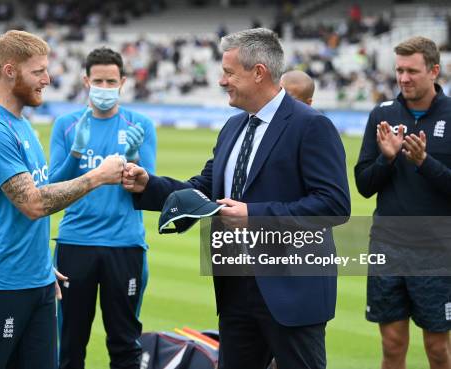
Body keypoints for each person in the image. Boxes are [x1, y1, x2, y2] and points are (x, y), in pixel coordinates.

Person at [122, 28, 350, 369]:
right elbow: (204, 189)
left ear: (258, 72)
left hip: (291, 292)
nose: (221, 80)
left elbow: (334, 205)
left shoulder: (311, 126)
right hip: (234, 289)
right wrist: (147, 185)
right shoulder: (232, 127)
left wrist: (254, 214)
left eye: (229, 72)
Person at [0, 30, 125, 369]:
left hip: (38, 281)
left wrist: (41, 265)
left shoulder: (23, 126)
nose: (48, 79)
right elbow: (33, 204)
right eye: (38, 72)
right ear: (9, 71)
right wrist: (97, 176)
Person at [49, 47, 157, 369]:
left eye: (112, 81)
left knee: (125, 343)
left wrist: (135, 159)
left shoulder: (140, 124)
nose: (105, 88)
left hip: (124, 244)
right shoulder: (67, 125)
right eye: (99, 81)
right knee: (70, 343)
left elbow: (147, 189)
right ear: (86, 81)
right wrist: (76, 155)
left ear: (123, 81)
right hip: (75, 243)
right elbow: (53, 188)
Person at [355, 36, 451, 369]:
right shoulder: (382, 115)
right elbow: (364, 186)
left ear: (434, 70)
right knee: (392, 345)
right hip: (388, 245)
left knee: (438, 348)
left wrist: (425, 162)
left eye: (412, 71)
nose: (403, 78)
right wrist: (387, 159)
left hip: (437, 248)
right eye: (399, 70)